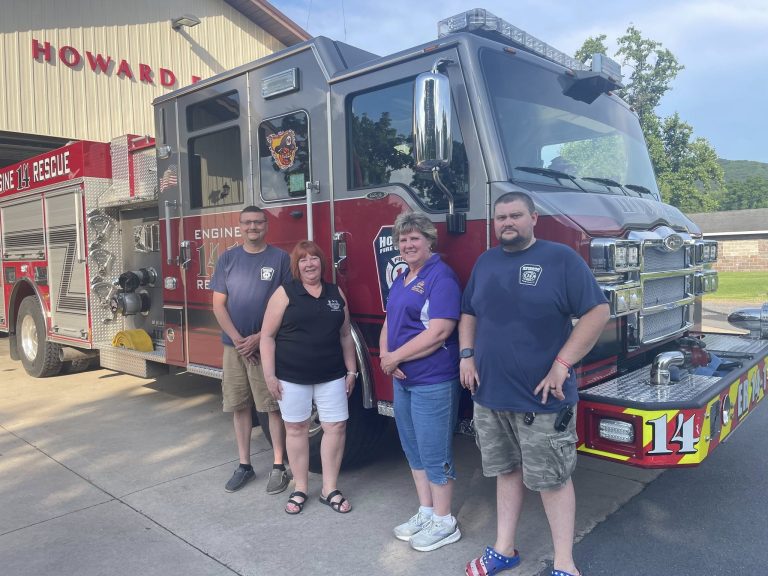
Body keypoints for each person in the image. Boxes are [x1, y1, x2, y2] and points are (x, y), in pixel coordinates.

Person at [460, 192, 609, 576]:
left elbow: (598, 311)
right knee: (505, 471)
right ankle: (503, 549)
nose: (506, 223)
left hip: (543, 399)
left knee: (553, 480)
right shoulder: (485, 262)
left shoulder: (560, 259)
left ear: (533, 218)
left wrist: (562, 364)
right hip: (490, 395)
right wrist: (466, 356)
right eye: (500, 217)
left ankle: (564, 564)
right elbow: (468, 313)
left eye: (515, 215)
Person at [379, 212, 462, 552]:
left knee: (434, 450)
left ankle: (445, 521)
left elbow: (440, 330)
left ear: (429, 240)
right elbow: (389, 321)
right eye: (402, 239)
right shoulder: (402, 277)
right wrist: (387, 356)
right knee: (412, 448)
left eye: (415, 238)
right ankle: (426, 511)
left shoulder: (440, 276)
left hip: (432, 379)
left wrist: (397, 357)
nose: (408, 244)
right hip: (403, 379)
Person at [260, 240, 357, 515]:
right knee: (296, 429)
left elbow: (345, 334)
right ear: (296, 265)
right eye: (303, 260)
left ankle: (329, 488)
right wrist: (270, 375)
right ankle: (300, 487)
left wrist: (351, 371)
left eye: (314, 258)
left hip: (332, 376)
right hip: (291, 376)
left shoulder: (335, 292)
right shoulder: (284, 293)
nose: (309, 264)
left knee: (336, 427)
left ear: (322, 263)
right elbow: (267, 337)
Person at [211, 206, 291, 495]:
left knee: (271, 407)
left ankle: (279, 466)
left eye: (258, 222)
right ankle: (244, 465)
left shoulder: (280, 259)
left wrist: (259, 337)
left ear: (266, 225)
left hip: (265, 346)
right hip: (234, 349)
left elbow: (286, 303)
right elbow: (218, 304)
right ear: (239, 227)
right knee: (239, 405)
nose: (252, 227)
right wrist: (238, 339)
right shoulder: (228, 259)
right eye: (247, 223)